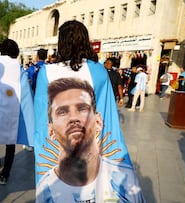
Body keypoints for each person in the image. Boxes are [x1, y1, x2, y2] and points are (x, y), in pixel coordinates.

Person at [34, 20, 133, 184]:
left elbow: (41, 120)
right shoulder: (99, 71)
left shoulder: (46, 72)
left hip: (59, 157)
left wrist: (42, 158)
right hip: (91, 153)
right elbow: (107, 114)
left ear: (61, 42)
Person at [36, 77, 144, 202]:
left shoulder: (125, 181)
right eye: (62, 112)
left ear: (98, 121)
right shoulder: (45, 191)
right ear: (51, 131)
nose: (73, 118)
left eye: (82, 109)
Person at [0, 38, 34, 185]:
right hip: (13, 112)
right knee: (11, 142)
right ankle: (5, 174)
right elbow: (26, 92)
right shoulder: (19, 68)